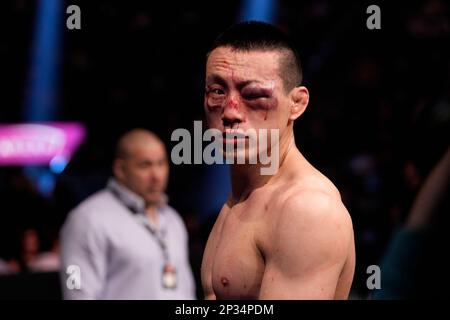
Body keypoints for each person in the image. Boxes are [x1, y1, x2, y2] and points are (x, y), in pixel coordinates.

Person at [201, 21, 355, 299]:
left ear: (296, 103)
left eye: (254, 94)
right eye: (218, 91)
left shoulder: (307, 209)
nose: (230, 112)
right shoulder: (242, 196)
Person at [60, 129, 196, 299]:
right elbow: (77, 293)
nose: (156, 175)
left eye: (161, 163)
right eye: (145, 165)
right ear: (120, 169)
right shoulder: (87, 219)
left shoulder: (173, 219)